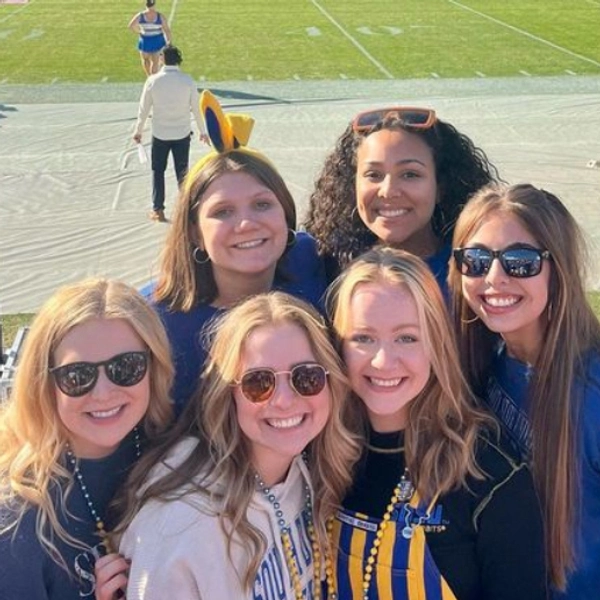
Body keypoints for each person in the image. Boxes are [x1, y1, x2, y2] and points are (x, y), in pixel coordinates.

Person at [94, 291, 359, 600]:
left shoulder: (304, 471)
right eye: (259, 383)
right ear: (227, 393)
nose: (285, 400)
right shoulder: (181, 524)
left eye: (306, 377)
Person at [328, 247, 547, 600]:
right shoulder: (317, 459)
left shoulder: (490, 479)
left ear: (436, 345)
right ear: (337, 347)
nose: (384, 361)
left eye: (407, 338)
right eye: (363, 338)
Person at [449, 183, 600, 599]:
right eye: (476, 260)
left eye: (520, 261)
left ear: (559, 267)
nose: (494, 278)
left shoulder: (591, 387)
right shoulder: (482, 364)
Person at [147, 90, 327, 414]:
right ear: (193, 232)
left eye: (262, 204)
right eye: (223, 212)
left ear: (286, 215)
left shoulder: (313, 262)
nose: (246, 223)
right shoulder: (152, 322)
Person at [0, 278, 174, 600]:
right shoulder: (15, 518)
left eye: (126, 367)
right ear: (44, 383)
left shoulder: (177, 456)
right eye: (78, 376)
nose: (104, 393)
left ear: (154, 366)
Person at [304, 106, 499, 291]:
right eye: (373, 174)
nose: (388, 191)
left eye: (410, 174)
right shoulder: (320, 267)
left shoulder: (474, 272)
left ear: (440, 186)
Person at [133, 45, 209, 223]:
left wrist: (138, 130)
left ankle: (158, 210)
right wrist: (202, 131)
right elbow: (196, 109)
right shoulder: (187, 81)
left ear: (162, 59)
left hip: (160, 134)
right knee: (182, 172)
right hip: (181, 133)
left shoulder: (153, 81)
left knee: (157, 171)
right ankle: (186, 210)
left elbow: (144, 108)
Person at [128, 0, 171, 77]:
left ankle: (149, 77)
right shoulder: (159, 16)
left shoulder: (141, 15)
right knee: (155, 62)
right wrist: (168, 42)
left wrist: (140, 31)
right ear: (154, 5)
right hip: (157, 41)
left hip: (145, 41)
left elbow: (131, 26)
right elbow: (167, 30)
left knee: (145, 60)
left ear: (146, 5)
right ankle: (154, 78)